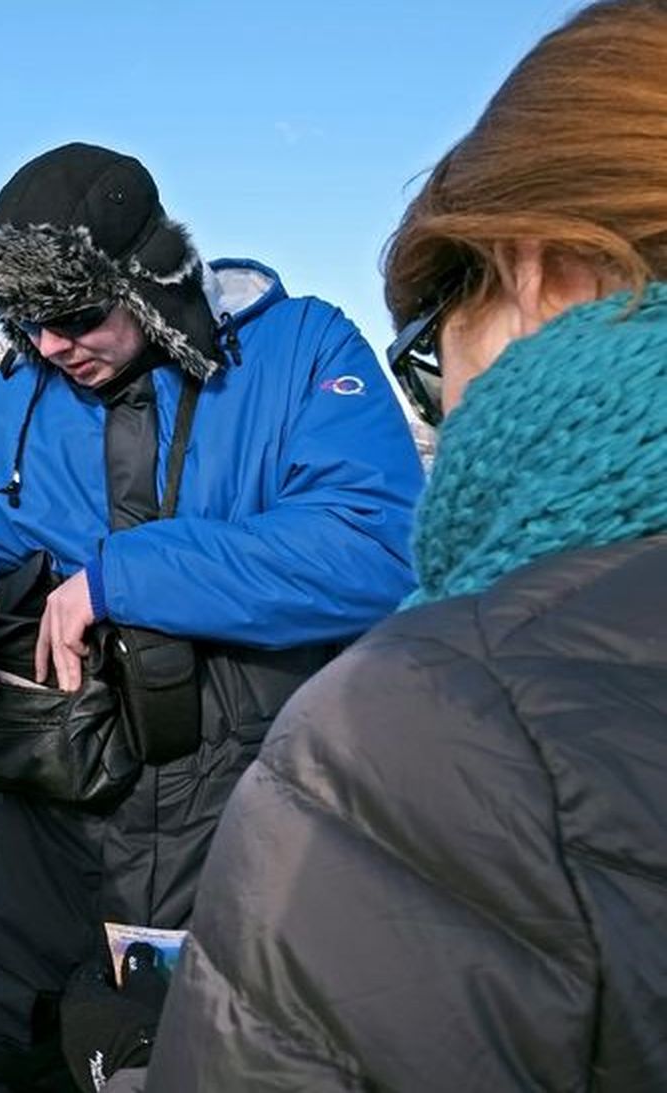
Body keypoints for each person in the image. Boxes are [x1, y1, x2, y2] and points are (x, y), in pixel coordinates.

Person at [147, 2, 667, 1089]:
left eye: (427, 348)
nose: (442, 399)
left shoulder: (444, 724)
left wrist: (111, 573)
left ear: (548, 273)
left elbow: (361, 543)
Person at [0, 142, 425, 1091]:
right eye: (22, 321)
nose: (49, 346)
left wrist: (123, 576)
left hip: (255, 808)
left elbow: (374, 544)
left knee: (237, 1057)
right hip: (47, 806)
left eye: (73, 315)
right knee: (6, 1049)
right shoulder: (3, 406)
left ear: (151, 279)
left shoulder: (298, 352)